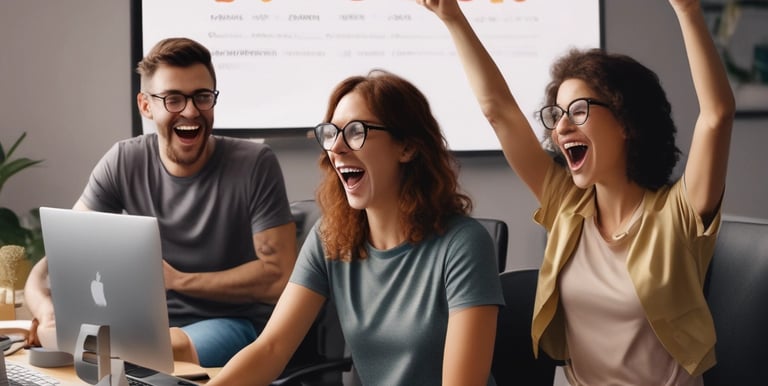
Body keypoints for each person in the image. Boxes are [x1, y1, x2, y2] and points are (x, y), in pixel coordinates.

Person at [421, 0, 734, 384]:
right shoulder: (567, 205)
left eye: (579, 110)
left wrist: (688, 11)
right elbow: (498, 111)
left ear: (626, 121)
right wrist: (451, 16)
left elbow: (717, 114)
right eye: (557, 113)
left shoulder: (679, 215)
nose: (562, 126)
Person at [207, 69, 504, 386]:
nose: (337, 148)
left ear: (407, 147)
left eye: (356, 132)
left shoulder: (464, 245)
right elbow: (271, 349)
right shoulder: (330, 236)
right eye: (332, 134)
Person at [23, 37, 297, 368]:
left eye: (202, 96)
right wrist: (46, 312)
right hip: (142, 327)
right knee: (86, 353)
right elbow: (57, 260)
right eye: (173, 99)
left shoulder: (255, 163)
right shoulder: (124, 160)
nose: (191, 111)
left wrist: (179, 280)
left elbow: (278, 278)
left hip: (234, 324)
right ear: (145, 105)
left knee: (147, 350)